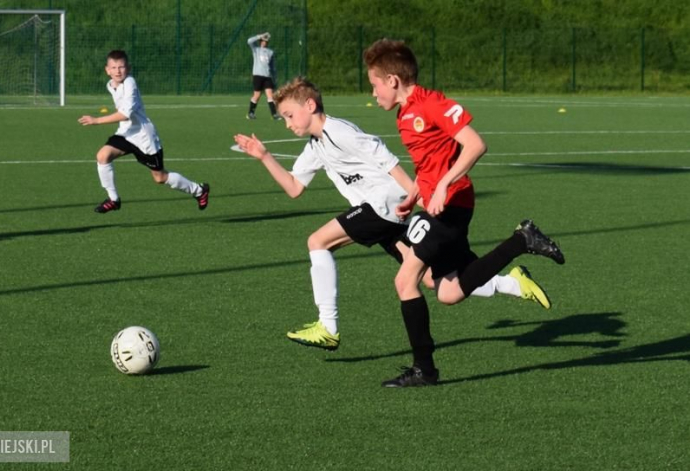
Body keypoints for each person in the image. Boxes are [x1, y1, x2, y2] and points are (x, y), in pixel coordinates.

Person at [233, 77, 552, 352]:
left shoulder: (340, 131)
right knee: (434, 282)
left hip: (385, 206)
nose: (287, 123)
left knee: (317, 241)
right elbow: (293, 187)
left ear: (311, 105)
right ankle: (511, 282)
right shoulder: (315, 146)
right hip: (386, 214)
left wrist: (416, 193)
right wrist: (263, 156)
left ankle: (328, 326)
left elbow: (383, 156)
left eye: (289, 115)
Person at [364, 39, 565, 388]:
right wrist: (415, 193)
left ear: (393, 80)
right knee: (448, 293)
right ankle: (522, 240)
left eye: (375, 84)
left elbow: (475, 144)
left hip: (451, 202)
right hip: (437, 203)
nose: (373, 91)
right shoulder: (405, 113)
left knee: (405, 280)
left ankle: (424, 370)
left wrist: (442, 185)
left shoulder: (430, 103)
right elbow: (429, 162)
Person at [78, 50, 209, 213]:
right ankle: (113, 200)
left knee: (160, 177)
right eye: (114, 67)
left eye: (122, 67)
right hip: (126, 133)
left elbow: (125, 115)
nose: (118, 71)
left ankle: (199, 190)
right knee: (102, 156)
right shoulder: (110, 85)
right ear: (107, 70)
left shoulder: (130, 83)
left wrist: (96, 120)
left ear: (129, 68)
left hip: (144, 137)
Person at [246, 32, 281, 120]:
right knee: (257, 95)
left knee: (270, 95)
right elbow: (249, 41)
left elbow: (272, 67)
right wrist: (259, 36)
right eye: (263, 40)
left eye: (266, 41)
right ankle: (250, 113)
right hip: (257, 75)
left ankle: (274, 115)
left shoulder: (270, 52)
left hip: (267, 77)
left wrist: (275, 76)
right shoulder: (256, 50)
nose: (264, 42)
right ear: (260, 41)